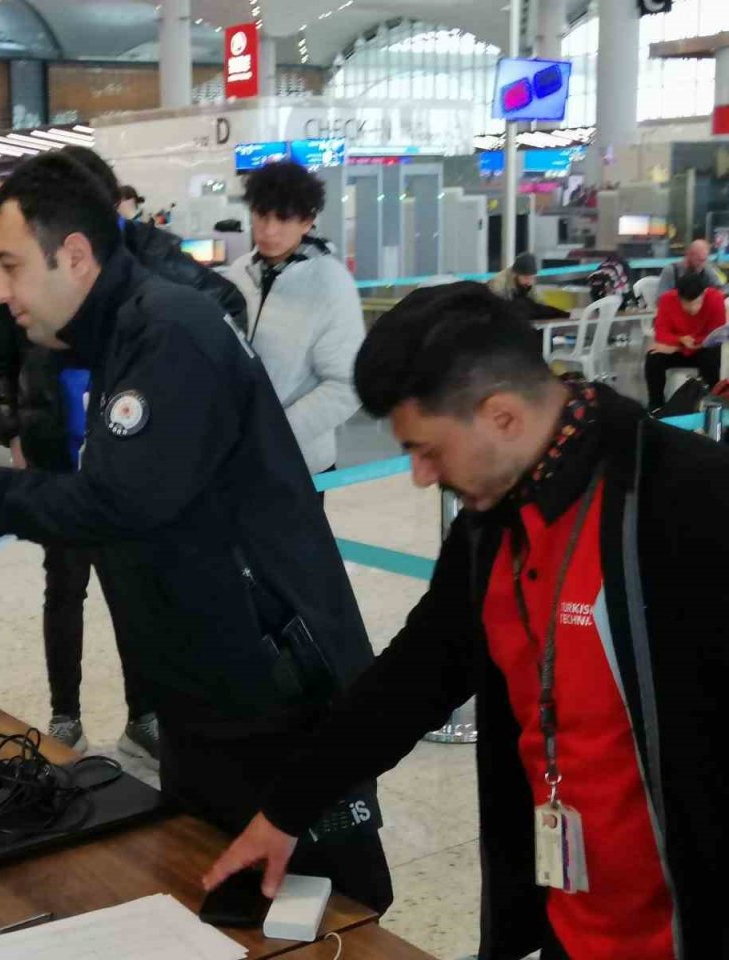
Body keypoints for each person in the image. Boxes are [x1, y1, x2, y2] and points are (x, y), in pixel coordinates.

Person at [0, 153, 391, 912]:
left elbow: (120, 500)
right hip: (210, 675)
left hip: (268, 681)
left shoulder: (167, 330)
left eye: (9, 267)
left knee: (326, 910)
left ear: (73, 255)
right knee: (219, 885)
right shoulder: (125, 331)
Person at [205, 280, 729, 959]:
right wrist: (287, 810)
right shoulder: (493, 524)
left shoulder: (690, 502)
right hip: (569, 928)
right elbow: (414, 677)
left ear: (503, 416)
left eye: (428, 449)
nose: (420, 477)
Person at [0, 147, 246, 763]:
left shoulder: (158, 292)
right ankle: (65, 713)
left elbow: (222, 312)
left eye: (9, 266)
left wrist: (167, 399)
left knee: (136, 590)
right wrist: (14, 428)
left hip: (129, 465)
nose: (1, 289)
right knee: (64, 588)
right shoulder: (38, 290)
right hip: (57, 452)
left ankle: (147, 713)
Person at [230, 160, 364, 479]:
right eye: (261, 215)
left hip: (299, 464)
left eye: (283, 218)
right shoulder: (239, 273)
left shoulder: (330, 283)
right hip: (235, 459)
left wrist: (277, 433)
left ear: (307, 221)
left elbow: (347, 384)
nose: (269, 230)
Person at [643, 271, 727, 411]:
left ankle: (714, 401)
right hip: (681, 348)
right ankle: (656, 404)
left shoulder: (715, 298)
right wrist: (680, 340)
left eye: (698, 302)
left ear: (704, 294)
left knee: (710, 356)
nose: (693, 308)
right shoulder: (667, 300)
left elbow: (716, 334)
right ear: (678, 297)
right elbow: (661, 333)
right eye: (687, 304)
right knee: (653, 358)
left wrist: (679, 345)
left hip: (702, 349)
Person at [489, 252, 570, 321]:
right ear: (515, 274)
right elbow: (495, 312)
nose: (529, 282)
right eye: (526, 278)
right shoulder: (498, 285)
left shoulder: (527, 282)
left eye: (532, 278)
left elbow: (539, 303)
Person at [656, 238, 724, 297]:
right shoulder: (671, 271)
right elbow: (661, 298)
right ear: (688, 255)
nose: (702, 264)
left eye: (704, 260)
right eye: (698, 260)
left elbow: (720, 289)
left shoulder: (706, 269)